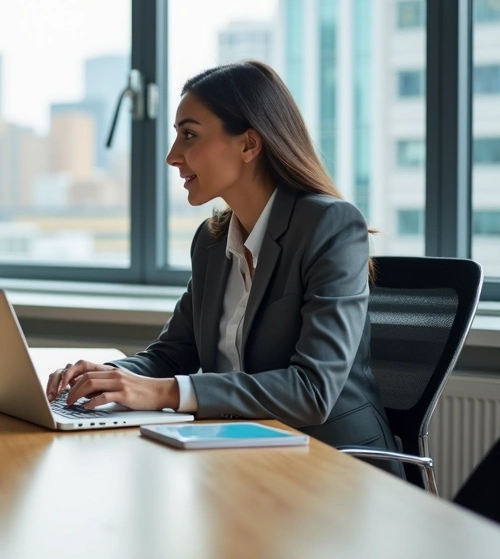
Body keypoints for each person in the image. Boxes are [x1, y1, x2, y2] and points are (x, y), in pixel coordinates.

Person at [47, 61, 400, 460]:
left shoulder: (330, 226)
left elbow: (312, 391)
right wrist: (106, 378)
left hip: (333, 462)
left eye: (189, 135)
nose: (172, 156)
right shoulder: (211, 241)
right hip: (240, 450)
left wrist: (166, 392)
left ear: (249, 144)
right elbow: (172, 353)